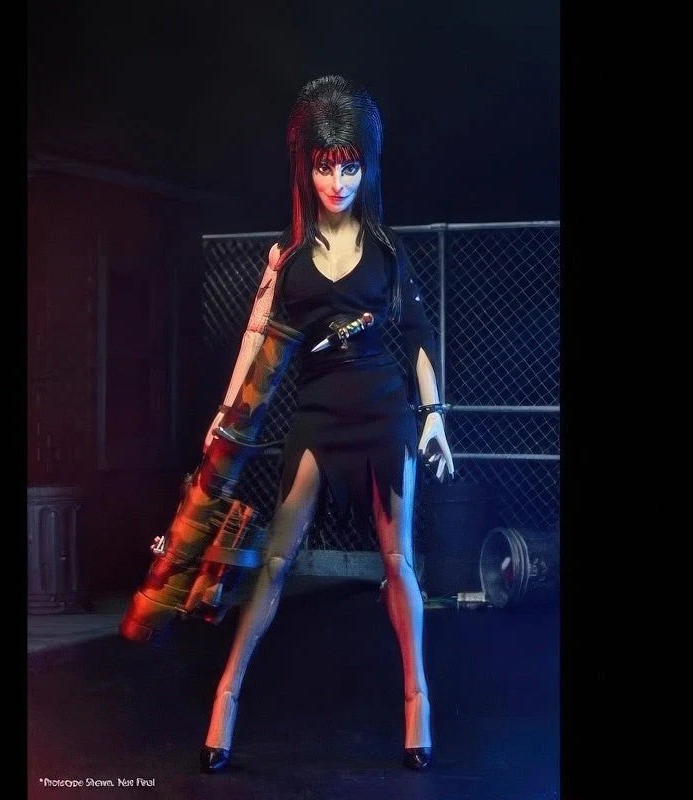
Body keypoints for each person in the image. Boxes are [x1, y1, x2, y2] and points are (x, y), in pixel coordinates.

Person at [199, 74, 454, 774]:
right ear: (305, 167)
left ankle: (417, 701)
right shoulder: (285, 257)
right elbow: (256, 340)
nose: (337, 182)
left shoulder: (387, 249)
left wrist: (434, 416)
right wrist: (225, 415)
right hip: (316, 414)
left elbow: (417, 335)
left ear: (366, 166)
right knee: (276, 561)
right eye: (324, 166)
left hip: (384, 411)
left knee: (398, 562)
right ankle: (225, 698)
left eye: (349, 166)